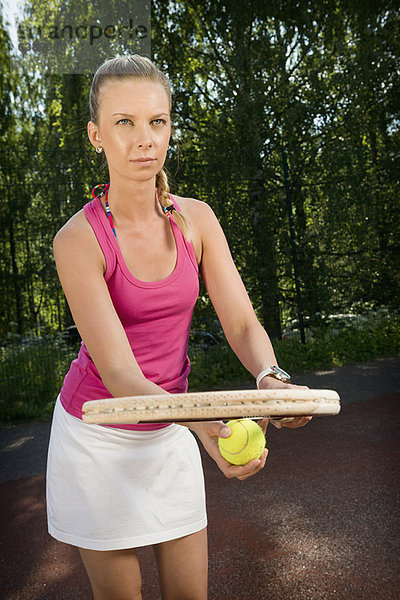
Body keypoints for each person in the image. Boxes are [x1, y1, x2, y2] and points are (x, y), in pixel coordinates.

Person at [46, 54, 311, 600]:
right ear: (95, 135)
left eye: (157, 121)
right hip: (98, 439)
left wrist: (270, 375)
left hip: (171, 428)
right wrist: (205, 424)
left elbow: (239, 320)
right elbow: (119, 372)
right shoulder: (77, 240)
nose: (144, 138)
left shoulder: (197, 220)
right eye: (124, 122)